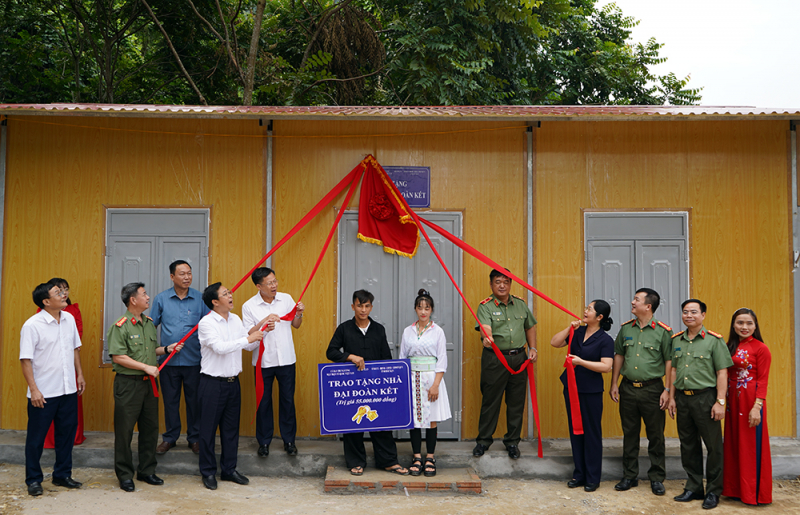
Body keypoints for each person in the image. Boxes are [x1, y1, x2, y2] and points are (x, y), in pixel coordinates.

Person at [326, 290, 409, 476]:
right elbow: (331, 352)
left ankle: (388, 461)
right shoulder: (344, 328)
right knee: (353, 422)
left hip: (375, 385)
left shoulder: (378, 329)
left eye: (366, 306)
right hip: (352, 386)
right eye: (359, 306)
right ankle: (356, 462)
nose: (363, 310)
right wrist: (350, 357)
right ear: (353, 307)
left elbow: (386, 358)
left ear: (371, 307)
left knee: (381, 421)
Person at [108, 282, 182, 492]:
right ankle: (125, 475)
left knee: (150, 429)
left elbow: (150, 349)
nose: (148, 297)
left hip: (149, 384)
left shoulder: (148, 323)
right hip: (128, 384)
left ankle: (147, 470)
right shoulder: (120, 326)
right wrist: (146, 367)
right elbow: (118, 356)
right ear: (133, 300)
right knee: (125, 431)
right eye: (144, 294)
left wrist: (166, 349)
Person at [20, 281, 86, 496]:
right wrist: (34, 389)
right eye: (58, 292)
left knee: (66, 435)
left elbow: (74, 349)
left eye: (63, 291)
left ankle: (62, 475)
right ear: (46, 302)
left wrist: (79, 374)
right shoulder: (32, 325)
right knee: (36, 439)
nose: (64, 294)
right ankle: (33, 479)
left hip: (68, 390)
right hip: (44, 393)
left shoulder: (69, 319)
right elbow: (25, 360)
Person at [197, 283, 265, 490]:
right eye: (225, 294)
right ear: (215, 302)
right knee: (208, 431)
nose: (230, 295)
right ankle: (208, 472)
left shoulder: (235, 319)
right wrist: (248, 338)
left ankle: (229, 469)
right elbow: (219, 347)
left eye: (229, 292)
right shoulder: (206, 323)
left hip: (233, 383)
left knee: (231, 430)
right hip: (212, 384)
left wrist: (262, 332)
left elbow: (248, 344)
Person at [668, 299, 733, 510]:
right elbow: (674, 370)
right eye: (685, 312)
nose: (689, 315)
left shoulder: (714, 340)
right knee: (688, 444)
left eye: (694, 312)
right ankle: (694, 487)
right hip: (683, 398)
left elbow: (722, 372)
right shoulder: (676, 340)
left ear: (703, 315)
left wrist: (720, 401)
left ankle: (713, 491)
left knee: (713, 446)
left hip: (706, 398)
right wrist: (671, 397)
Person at [609, 288, 673, 496]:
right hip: (628, 388)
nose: (632, 302)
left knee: (656, 435)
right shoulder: (626, 329)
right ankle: (629, 475)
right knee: (630, 434)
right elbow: (619, 355)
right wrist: (614, 383)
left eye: (637, 299)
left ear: (648, 306)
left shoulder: (663, 332)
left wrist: (667, 389)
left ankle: (657, 477)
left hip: (653, 389)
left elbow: (669, 362)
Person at [473, 269, 537, 460]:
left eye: (506, 282)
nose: (502, 285)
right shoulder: (485, 306)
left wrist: (533, 348)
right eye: (498, 281)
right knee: (490, 400)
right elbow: (485, 327)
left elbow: (529, 326)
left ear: (510, 284)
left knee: (516, 402)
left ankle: (512, 442)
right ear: (491, 284)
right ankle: (483, 441)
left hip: (519, 358)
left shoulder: (520, 304)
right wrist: (487, 337)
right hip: (495, 359)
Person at [550, 300, 614, 492]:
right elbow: (555, 342)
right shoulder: (577, 332)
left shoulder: (605, 340)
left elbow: (606, 366)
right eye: (586, 308)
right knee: (575, 430)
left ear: (600, 317)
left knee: (591, 433)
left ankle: (593, 477)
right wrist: (569, 328)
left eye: (590, 309)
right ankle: (579, 474)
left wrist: (581, 362)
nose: (585, 311)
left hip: (591, 391)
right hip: (571, 387)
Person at [241, 267, 304, 457]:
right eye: (269, 283)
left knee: (287, 401)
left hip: (286, 359)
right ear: (258, 286)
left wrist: (299, 313)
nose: (274, 285)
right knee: (263, 402)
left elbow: (295, 324)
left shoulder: (286, 299)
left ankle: (289, 441)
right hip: (263, 362)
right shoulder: (249, 306)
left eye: (275, 281)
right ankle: (264, 442)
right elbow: (248, 334)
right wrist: (264, 321)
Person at [150, 260, 209, 455]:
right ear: (172, 277)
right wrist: (155, 351)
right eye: (182, 274)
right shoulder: (161, 299)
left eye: (189, 273)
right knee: (170, 402)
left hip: (195, 360)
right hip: (169, 362)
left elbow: (210, 326)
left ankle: (195, 438)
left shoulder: (201, 299)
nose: (187, 277)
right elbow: (151, 327)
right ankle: (170, 438)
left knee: (195, 402)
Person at [398, 289, 452, 477]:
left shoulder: (438, 331)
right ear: (415, 309)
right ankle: (416, 457)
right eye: (420, 308)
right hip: (412, 377)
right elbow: (402, 357)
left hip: (431, 378)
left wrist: (436, 384)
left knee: (431, 419)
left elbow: (442, 359)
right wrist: (403, 382)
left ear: (431, 310)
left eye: (427, 308)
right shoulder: (408, 331)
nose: (423, 311)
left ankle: (430, 457)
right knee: (413, 419)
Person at [722, 308, 772, 505]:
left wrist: (757, 406)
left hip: (751, 401)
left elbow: (763, 380)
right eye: (740, 323)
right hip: (732, 401)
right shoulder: (728, 346)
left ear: (755, 325)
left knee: (749, 445)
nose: (744, 327)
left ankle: (753, 493)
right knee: (734, 443)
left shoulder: (761, 348)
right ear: (733, 325)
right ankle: (734, 489)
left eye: (749, 323)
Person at [40, 278, 86, 448]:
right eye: (59, 290)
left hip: (68, 362)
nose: (64, 293)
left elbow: (76, 338)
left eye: (66, 289)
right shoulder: (41, 314)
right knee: (50, 401)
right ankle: (49, 439)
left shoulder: (73, 311)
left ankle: (72, 437)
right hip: (49, 366)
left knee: (70, 403)